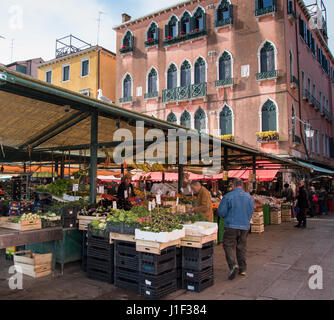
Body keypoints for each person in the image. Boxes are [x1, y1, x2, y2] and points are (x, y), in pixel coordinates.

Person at [217, 179, 255, 280]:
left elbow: (221, 212)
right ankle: (243, 269)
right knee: (241, 246)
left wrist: (227, 217)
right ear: (241, 185)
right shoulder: (249, 197)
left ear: (233, 185)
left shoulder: (228, 196)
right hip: (245, 226)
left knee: (228, 245)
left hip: (231, 225)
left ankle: (233, 265)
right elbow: (252, 211)